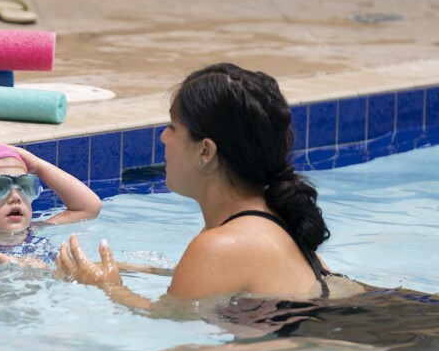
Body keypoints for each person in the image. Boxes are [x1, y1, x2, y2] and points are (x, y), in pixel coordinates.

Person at [51, 63, 363, 310]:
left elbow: (168, 321)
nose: (163, 137)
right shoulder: (271, 219)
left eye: (173, 127)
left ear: (205, 152)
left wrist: (109, 287)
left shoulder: (221, 245)